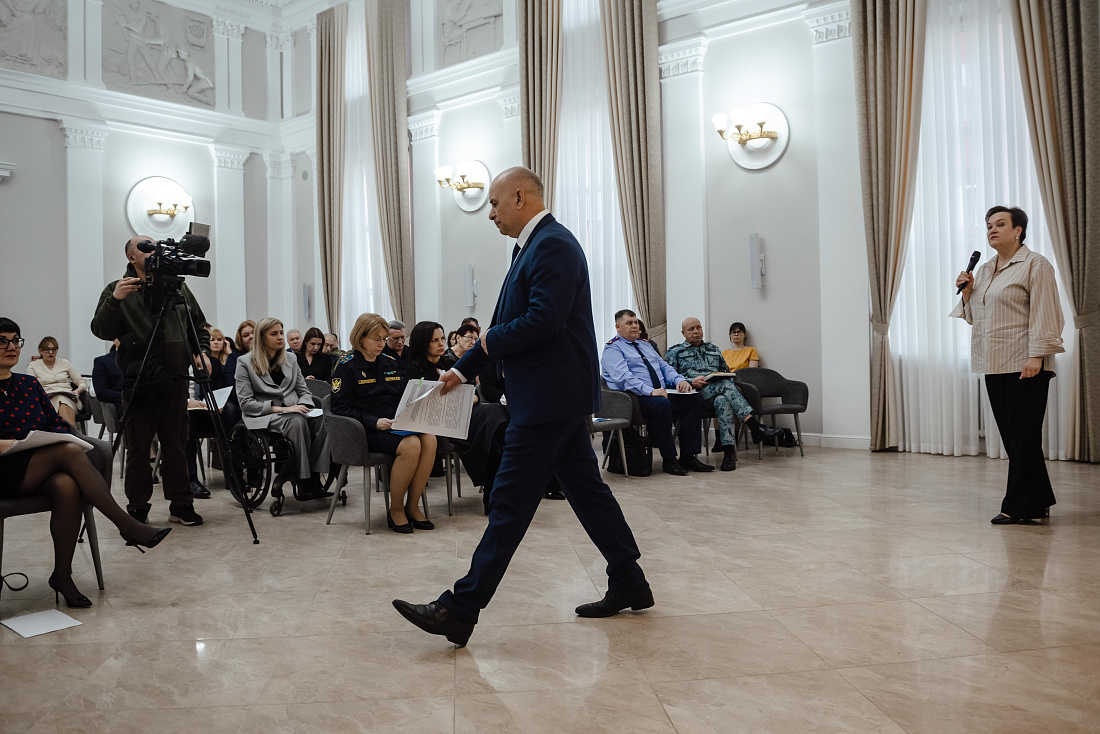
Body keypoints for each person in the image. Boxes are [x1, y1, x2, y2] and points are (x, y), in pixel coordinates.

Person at [393, 166, 651, 647]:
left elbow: (544, 320)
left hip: (549, 398)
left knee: (509, 504)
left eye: (493, 204)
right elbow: (499, 325)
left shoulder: (554, 244)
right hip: (555, 396)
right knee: (588, 492)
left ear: (518, 197)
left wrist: (486, 346)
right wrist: (461, 370)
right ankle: (629, 579)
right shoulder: (528, 247)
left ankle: (459, 609)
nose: (490, 214)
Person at [0, 318, 171, 608]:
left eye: (15, 340)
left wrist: (56, 437)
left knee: (67, 485)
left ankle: (62, 575)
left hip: (36, 465)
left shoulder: (28, 384)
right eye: (2, 341)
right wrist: (14, 443)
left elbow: (56, 423)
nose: (11, 346)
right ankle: (126, 525)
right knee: (67, 451)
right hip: (4, 470)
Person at [952, 206, 1064, 524]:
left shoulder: (1035, 264)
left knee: (1024, 436)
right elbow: (976, 317)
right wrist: (968, 293)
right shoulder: (986, 269)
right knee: (1014, 437)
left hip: (1025, 363)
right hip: (993, 362)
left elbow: (1046, 312)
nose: (992, 229)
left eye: (1000, 224)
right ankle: (1039, 499)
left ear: (1018, 230)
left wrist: (1037, 356)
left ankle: (1017, 506)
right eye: (989, 225)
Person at [91, 234, 207, 527]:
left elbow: (199, 326)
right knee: (139, 449)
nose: (153, 251)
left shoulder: (178, 287)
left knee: (176, 444)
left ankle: (181, 504)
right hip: (139, 379)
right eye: (145, 247)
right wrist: (115, 301)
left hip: (174, 376)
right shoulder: (117, 289)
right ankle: (138, 508)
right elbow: (101, 330)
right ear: (131, 257)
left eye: (156, 246)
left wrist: (202, 352)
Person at [331, 313, 437, 533]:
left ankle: (412, 506)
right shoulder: (346, 366)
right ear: (361, 339)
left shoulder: (389, 363)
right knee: (411, 445)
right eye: (376, 339)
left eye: (383, 338)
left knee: (430, 439)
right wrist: (374, 422)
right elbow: (340, 409)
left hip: (392, 424)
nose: (382, 344)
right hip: (365, 429)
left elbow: (399, 398)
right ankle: (396, 509)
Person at [408, 321, 510, 511]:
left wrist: (465, 398)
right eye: (434, 340)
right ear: (422, 343)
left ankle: (496, 488)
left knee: (497, 416)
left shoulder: (451, 365)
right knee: (491, 429)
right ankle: (492, 490)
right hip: (434, 420)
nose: (441, 344)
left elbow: (473, 395)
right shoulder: (412, 370)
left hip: (462, 412)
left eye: (442, 338)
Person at [602, 309, 714, 476]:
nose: (635, 326)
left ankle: (688, 457)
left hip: (659, 393)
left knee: (694, 400)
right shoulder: (613, 349)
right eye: (629, 323)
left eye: (635, 322)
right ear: (618, 327)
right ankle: (669, 460)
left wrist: (680, 380)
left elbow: (664, 367)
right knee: (662, 405)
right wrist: (651, 391)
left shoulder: (645, 345)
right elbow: (623, 379)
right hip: (634, 398)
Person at [666, 317, 782, 471]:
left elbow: (725, 372)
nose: (696, 331)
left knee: (723, 400)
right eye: (691, 329)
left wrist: (718, 377)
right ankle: (754, 427)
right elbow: (668, 378)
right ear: (683, 333)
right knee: (725, 386)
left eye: (698, 327)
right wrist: (691, 381)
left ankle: (729, 454)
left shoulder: (713, 349)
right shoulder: (675, 352)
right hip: (692, 395)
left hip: (715, 392)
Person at [235, 318, 331, 498]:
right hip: (265, 414)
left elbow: (303, 390)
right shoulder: (245, 362)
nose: (280, 337)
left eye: (281, 332)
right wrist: (284, 410)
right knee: (296, 421)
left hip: (293, 411)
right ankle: (304, 480)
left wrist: (304, 405)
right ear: (262, 338)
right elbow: (246, 403)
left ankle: (315, 474)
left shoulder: (291, 358)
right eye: (274, 334)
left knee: (322, 419)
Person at [26, 336, 86, 429]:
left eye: (53, 349)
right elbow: (31, 387)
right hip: (46, 400)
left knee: (61, 399)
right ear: (40, 351)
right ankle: (72, 432)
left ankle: (65, 432)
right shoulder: (33, 365)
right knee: (58, 401)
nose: (51, 352)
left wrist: (77, 391)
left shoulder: (65, 363)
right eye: (47, 349)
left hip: (68, 398)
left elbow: (81, 382)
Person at [92, 339, 124, 415]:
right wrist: (124, 397)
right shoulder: (104, 361)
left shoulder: (144, 359)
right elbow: (101, 392)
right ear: (114, 340)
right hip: (123, 405)